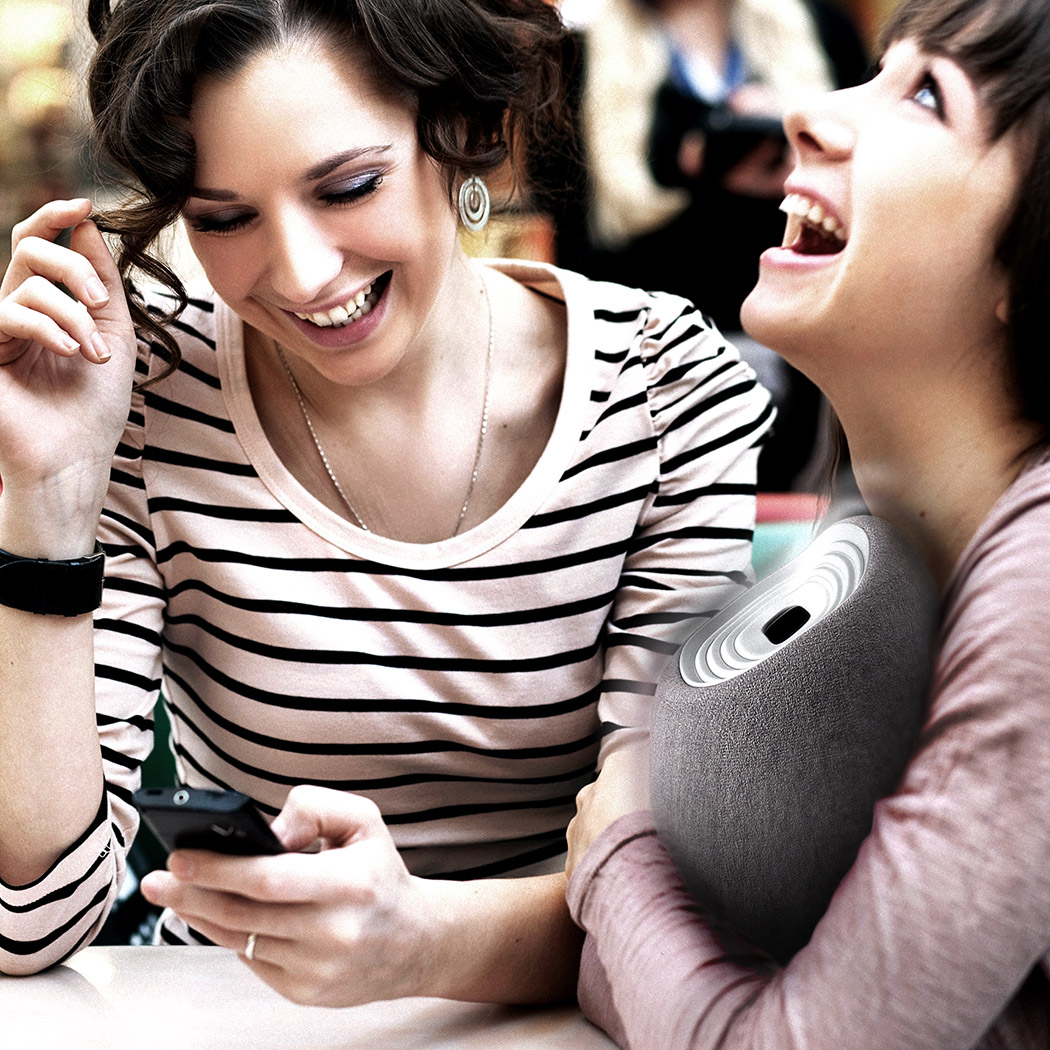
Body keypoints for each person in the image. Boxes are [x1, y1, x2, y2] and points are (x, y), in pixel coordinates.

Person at [0, 0, 774, 1006]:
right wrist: (45, 500)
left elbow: (670, 904)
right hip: (220, 1014)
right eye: (225, 217)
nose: (303, 275)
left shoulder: (666, 389)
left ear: (458, 132)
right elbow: (31, 923)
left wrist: (418, 944)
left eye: (349, 186)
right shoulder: (142, 402)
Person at [565, 0, 1050, 1044]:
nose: (812, 115)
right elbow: (659, 985)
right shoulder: (879, 562)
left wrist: (618, 852)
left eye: (926, 95)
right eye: (878, 72)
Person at [543, 0, 868, 491]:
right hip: (656, 400)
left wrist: (801, 171)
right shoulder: (574, 58)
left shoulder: (823, 28)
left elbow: (879, 212)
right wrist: (699, 182)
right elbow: (572, 266)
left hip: (819, 389)